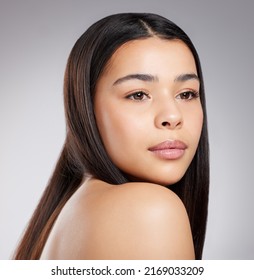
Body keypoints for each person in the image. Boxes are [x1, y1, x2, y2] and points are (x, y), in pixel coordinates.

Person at [14, 13, 209, 260]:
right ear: (85, 107)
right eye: (138, 94)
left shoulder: (72, 210)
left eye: (186, 94)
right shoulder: (150, 210)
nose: (172, 115)